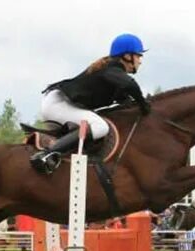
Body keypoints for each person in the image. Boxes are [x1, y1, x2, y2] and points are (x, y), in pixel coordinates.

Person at [30, 33, 151, 175]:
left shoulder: (114, 73)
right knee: (100, 127)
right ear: (127, 56)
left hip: (59, 103)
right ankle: (46, 155)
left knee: (95, 127)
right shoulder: (112, 69)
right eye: (138, 56)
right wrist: (143, 105)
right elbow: (131, 85)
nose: (140, 61)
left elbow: (125, 101)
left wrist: (138, 106)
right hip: (58, 104)